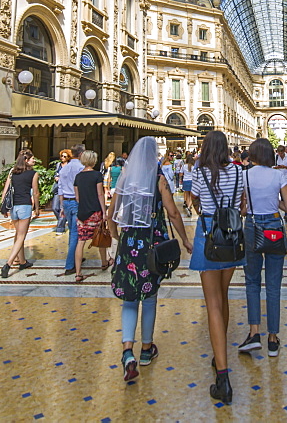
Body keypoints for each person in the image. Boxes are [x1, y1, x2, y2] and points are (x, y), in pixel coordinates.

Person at [106, 137, 192, 382]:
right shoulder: (159, 179)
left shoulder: (125, 178)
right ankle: (146, 349)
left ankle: (127, 352)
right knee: (150, 297)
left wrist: (115, 237)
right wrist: (185, 240)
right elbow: (173, 213)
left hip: (129, 243)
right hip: (152, 244)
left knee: (129, 298)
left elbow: (112, 214)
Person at [190, 130, 245, 405]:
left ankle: (222, 377)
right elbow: (242, 206)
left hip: (209, 236)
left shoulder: (200, 173)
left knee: (212, 303)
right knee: (223, 296)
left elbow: (194, 201)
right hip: (233, 237)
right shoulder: (238, 172)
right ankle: (219, 351)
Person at [238, 138, 287, 358]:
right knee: (273, 285)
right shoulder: (278, 175)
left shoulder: (245, 175)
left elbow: (242, 210)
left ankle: (254, 333)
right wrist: (275, 202)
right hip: (273, 227)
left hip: (252, 226)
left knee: (252, 282)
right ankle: (272, 338)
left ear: (252, 155)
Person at [0, 153, 40, 278]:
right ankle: (8, 263)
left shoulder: (13, 173)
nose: (34, 160)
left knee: (18, 234)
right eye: (32, 158)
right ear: (26, 160)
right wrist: (37, 208)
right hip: (24, 206)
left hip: (14, 207)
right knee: (22, 236)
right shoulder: (33, 174)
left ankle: (22, 261)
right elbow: (36, 193)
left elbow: (5, 191)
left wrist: (3, 207)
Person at [74, 151, 108, 283]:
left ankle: (78, 273)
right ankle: (104, 262)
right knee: (100, 236)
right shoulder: (97, 175)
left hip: (82, 213)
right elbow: (100, 194)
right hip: (95, 212)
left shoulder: (78, 177)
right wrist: (104, 212)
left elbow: (77, 197)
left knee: (81, 241)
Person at [57, 144, 85, 275]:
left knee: (72, 231)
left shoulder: (64, 169)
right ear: (80, 154)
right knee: (76, 232)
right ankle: (70, 265)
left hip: (67, 202)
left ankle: (76, 256)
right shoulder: (81, 168)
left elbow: (60, 189)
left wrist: (62, 206)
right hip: (76, 202)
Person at [51, 149, 72, 236]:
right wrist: (56, 177)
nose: (62, 158)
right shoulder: (58, 165)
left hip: (66, 189)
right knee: (55, 208)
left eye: (64, 156)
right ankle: (63, 219)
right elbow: (56, 173)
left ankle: (60, 228)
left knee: (62, 208)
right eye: (61, 156)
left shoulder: (70, 166)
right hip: (57, 188)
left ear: (68, 157)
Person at [182, 153, 195, 217]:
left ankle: (187, 205)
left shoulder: (184, 166)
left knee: (187, 195)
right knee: (192, 196)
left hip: (185, 180)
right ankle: (189, 207)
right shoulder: (193, 167)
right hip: (192, 181)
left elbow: (181, 174)